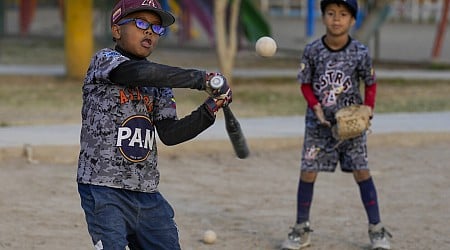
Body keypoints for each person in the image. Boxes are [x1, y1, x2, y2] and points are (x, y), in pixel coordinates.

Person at [76, 0, 232, 249]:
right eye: (140, 23)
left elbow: (170, 134)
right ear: (116, 30)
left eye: (156, 28)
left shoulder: (159, 83)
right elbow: (136, 73)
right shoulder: (104, 61)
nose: (149, 31)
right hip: (104, 189)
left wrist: (210, 109)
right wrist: (200, 78)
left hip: (147, 193)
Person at [281, 1, 392, 250]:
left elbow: (370, 82)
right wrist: (315, 106)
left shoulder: (360, 52)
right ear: (323, 17)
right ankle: (301, 229)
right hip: (318, 126)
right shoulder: (312, 50)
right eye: (331, 13)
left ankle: (377, 230)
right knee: (308, 171)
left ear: (353, 20)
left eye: (343, 14)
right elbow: (305, 83)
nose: (337, 19)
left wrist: (369, 109)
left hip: (351, 125)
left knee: (362, 171)